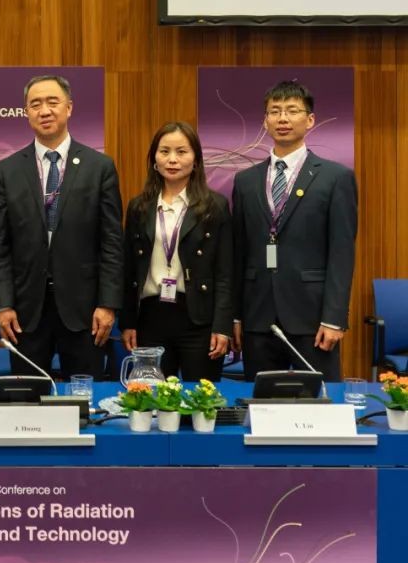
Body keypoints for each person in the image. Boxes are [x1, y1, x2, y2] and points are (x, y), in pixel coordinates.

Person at [0, 74, 123, 379]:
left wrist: (108, 304)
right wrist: (3, 305)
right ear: (26, 112)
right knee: (28, 397)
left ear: (69, 107)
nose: (44, 110)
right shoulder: (7, 170)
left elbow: (112, 242)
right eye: (35, 104)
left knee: (84, 398)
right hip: (25, 312)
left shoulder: (99, 167)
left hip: (85, 311)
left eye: (52, 102)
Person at [232, 80, 357, 381]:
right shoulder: (245, 181)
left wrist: (334, 318)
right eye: (275, 111)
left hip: (312, 318)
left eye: (292, 110)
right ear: (265, 121)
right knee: (260, 402)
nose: (283, 118)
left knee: (320, 402)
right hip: (258, 316)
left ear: (310, 120)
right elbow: (238, 253)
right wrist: (235, 316)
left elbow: (342, 253)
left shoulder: (336, 177)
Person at [119, 122, 231, 382]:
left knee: (200, 399)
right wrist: (128, 322)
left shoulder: (214, 206)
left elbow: (225, 272)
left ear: (196, 159)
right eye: (164, 151)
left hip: (198, 319)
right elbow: (129, 270)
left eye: (181, 152)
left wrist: (222, 326)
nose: (172, 159)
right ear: (154, 159)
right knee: (152, 398)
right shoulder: (139, 207)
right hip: (150, 318)